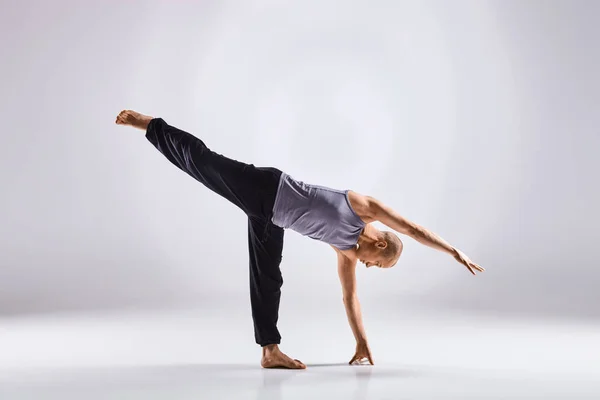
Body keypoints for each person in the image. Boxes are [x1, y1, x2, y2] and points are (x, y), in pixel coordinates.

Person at [115, 109, 485, 370]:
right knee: (204, 163)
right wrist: (453, 250)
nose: (370, 266)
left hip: (271, 218)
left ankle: (270, 351)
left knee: (267, 278)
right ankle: (149, 124)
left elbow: (350, 297)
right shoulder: (364, 208)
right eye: (378, 262)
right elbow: (413, 230)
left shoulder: (347, 251)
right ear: (382, 244)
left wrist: (362, 342)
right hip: (267, 188)